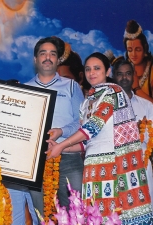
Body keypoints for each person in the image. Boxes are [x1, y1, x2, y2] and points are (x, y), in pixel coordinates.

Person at [47, 52, 153, 223]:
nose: (92, 73)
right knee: (96, 216)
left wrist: (61, 145)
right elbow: (86, 143)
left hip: (113, 166)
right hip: (92, 168)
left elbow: (92, 127)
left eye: (97, 68)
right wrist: (61, 149)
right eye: (88, 69)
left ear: (107, 71)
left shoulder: (113, 92)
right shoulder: (87, 101)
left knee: (113, 216)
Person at [22, 36, 84, 218]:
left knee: (76, 214)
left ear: (58, 60)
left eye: (52, 54)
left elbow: (80, 122)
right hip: (37, 162)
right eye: (43, 53)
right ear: (35, 59)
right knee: (43, 217)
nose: (48, 57)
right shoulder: (25, 89)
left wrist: (61, 132)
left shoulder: (71, 86)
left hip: (69, 159)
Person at [113, 58, 153, 208]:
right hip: (116, 166)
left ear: (134, 76)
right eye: (120, 74)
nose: (124, 78)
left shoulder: (147, 106)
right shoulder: (107, 106)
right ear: (114, 77)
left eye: (128, 73)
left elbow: (150, 138)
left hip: (142, 163)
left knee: (146, 210)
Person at [123, 20, 153, 103]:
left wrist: (137, 89)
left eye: (138, 49)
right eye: (130, 50)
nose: (133, 54)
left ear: (145, 49)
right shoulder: (124, 70)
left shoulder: (152, 71)